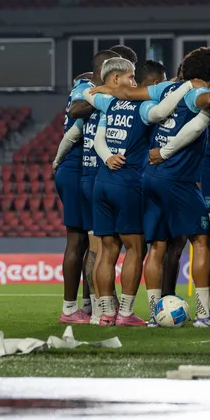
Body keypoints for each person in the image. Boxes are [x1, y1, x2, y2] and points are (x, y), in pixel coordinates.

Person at [83, 57, 189, 326]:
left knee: (107, 250)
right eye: (131, 78)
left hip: (102, 182)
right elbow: (162, 111)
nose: (133, 83)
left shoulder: (109, 103)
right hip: (128, 183)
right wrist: (186, 86)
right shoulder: (143, 107)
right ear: (119, 79)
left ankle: (104, 313)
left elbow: (87, 95)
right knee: (135, 248)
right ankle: (126, 313)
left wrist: (107, 90)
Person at [53, 49, 118, 324]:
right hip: (78, 166)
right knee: (82, 240)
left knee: (85, 240)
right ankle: (74, 309)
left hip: (80, 166)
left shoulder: (87, 85)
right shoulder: (87, 88)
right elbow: (75, 110)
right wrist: (106, 93)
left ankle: (88, 306)